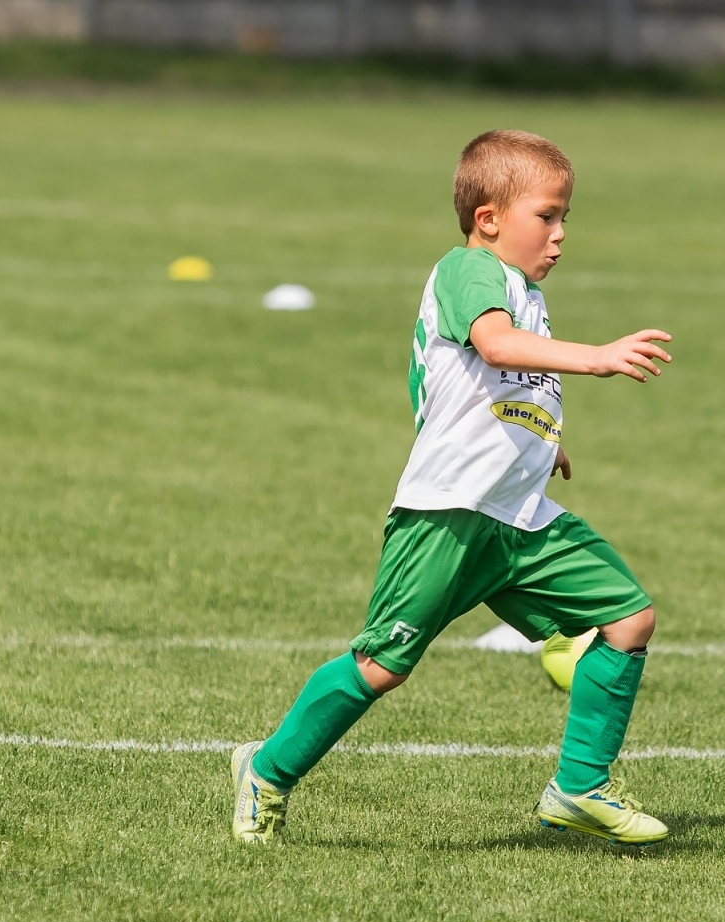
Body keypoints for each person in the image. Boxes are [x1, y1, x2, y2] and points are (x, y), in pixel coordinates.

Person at [231, 130, 674, 847]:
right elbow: (495, 347)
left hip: (517, 516)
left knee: (628, 619)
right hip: (446, 514)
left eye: (566, 220)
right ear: (490, 219)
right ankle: (267, 772)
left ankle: (580, 787)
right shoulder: (470, 271)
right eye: (548, 216)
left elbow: (503, 383)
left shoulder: (525, 294)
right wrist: (597, 358)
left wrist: (546, 440)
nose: (561, 236)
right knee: (381, 666)